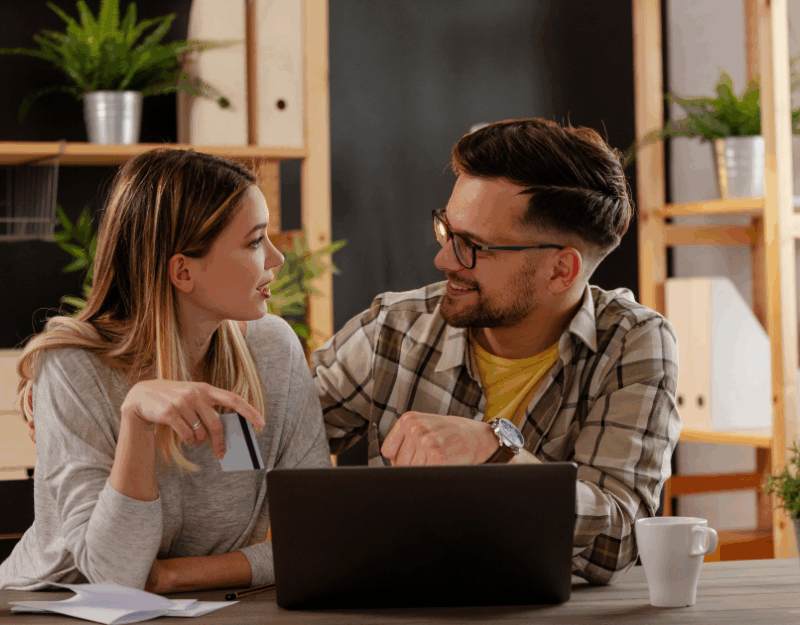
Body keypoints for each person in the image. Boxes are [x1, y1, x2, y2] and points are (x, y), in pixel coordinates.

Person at [311, 118, 681, 585]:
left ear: (560, 271)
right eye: (447, 231)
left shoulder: (632, 342)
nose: (444, 259)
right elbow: (271, 440)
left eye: (474, 246)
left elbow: (620, 538)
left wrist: (497, 452)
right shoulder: (395, 329)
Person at [0, 149, 331, 593]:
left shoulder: (273, 348)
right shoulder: (73, 370)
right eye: (254, 242)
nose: (277, 258)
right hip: (49, 609)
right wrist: (135, 421)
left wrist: (175, 575)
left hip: (204, 605)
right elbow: (116, 575)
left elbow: (316, 538)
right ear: (183, 271)